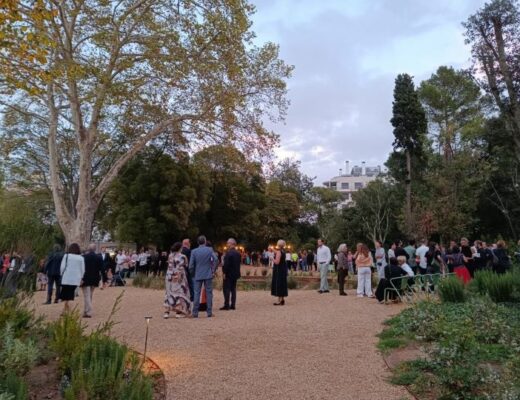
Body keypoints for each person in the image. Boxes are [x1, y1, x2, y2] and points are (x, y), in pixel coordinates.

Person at [189, 236, 217, 318]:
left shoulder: (194, 251)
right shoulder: (210, 250)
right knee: (209, 293)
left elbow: (191, 265)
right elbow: (215, 259)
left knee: (196, 293)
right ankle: (209, 312)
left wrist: (193, 273)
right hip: (208, 274)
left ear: (198, 242)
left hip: (198, 274)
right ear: (205, 241)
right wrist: (213, 270)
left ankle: (195, 313)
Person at [164, 242, 192, 319]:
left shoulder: (170, 255)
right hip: (179, 276)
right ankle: (178, 312)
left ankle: (166, 312)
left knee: (168, 292)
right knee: (179, 293)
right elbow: (185, 265)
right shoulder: (183, 256)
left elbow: (169, 265)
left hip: (169, 276)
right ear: (180, 248)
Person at [59, 243, 85, 314]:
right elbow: (82, 269)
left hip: (66, 278)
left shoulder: (66, 256)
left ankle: (70, 312)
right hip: (75, 279)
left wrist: (61, 274)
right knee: (69, 295)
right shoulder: (81, 258)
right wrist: (81, 278)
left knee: (67, 296)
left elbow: (62, 267)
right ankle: (64, 311)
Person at [82, 244, 103, 318]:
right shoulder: (99, 257)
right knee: (90, 295)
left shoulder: (84, 257)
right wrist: (104, 279)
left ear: (88, 249)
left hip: (86, 278)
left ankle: (88, 311)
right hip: (95, 278)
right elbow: (101, 269)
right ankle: (86, 311)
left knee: (86, 295)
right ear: (95, 249)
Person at [221, 238, 241, 310]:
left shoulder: (228, 253)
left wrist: (224, 273)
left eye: (228, 243)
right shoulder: (238, 253)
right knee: (233, 289)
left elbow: (226, 265)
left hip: (229, 274)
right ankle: (233, 305)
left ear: (232, 244)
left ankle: (227, 305)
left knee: (226, 289)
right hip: (235, 274)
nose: (227, 244)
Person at [271, 240, 288, 305]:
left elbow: (277, 262)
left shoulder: (279, 252)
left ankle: (279, 300)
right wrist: (272, 250)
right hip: (283, 269)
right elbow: (277, 252)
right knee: (282, 283)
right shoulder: (283, 251)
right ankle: (282, 299)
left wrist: (272, 258)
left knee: (279, 284)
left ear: (278, 244)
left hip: (279, 270)